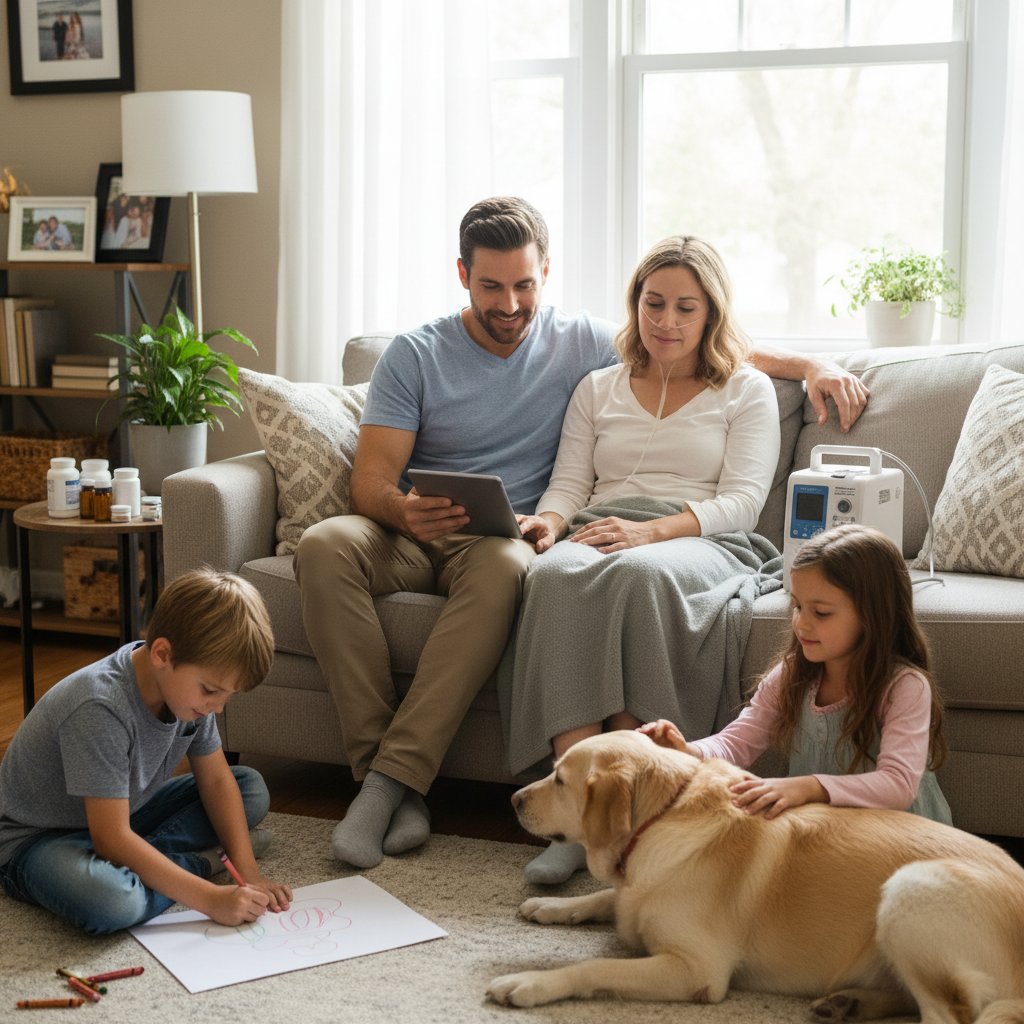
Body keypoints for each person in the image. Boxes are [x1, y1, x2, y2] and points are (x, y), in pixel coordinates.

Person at [294, 196, 870, 871]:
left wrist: (808, 367)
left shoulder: (615, 349)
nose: (509, 303)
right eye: (490, 286)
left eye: (524, 285)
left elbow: (704, 357)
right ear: (462, 275)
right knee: (332, 545)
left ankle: (604, 809)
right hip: (431, 526)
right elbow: (381, 483)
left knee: (543, 569)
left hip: (547, 541)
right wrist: (426, 512)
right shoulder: (444, 360)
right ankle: (389, 782)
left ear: (546, 274)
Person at [509, 234, 783, 884]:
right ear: (634, 305)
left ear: (711, 313)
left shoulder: (746, 390)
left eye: (686, 308)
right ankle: (574, 814)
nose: (666, 321)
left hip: (704, 539)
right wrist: (547, 526)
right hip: (601, 526)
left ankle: (624, 808)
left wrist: (653, 533)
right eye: (653, 303)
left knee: (636, 575)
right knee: (551, 577)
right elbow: (570, 487)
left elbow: (743, 501)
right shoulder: (597, 388)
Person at [0, 568, 293, 935]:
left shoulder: (189, 695)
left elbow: (217, 780)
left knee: (249, 788)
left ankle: (146, 865)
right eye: (211, 691)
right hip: (38, 840)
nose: (218, 707)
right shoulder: (99, 706)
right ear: (162, 654)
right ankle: (198, 864)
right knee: (111, 901)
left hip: (123, 814)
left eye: (227, 696)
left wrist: (249, 874)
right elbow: (110, 838)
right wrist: (210, 899)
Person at [641, 523, 951, 823]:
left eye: (821, 612)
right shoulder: (792, 675)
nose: (801, 624)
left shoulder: (905, 687)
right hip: (824, 832)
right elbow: (734, 744)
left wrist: (808, 787)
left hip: (902, 841)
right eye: (797, 606)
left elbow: (898, 786)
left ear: (873, 614)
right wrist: (688, 750)